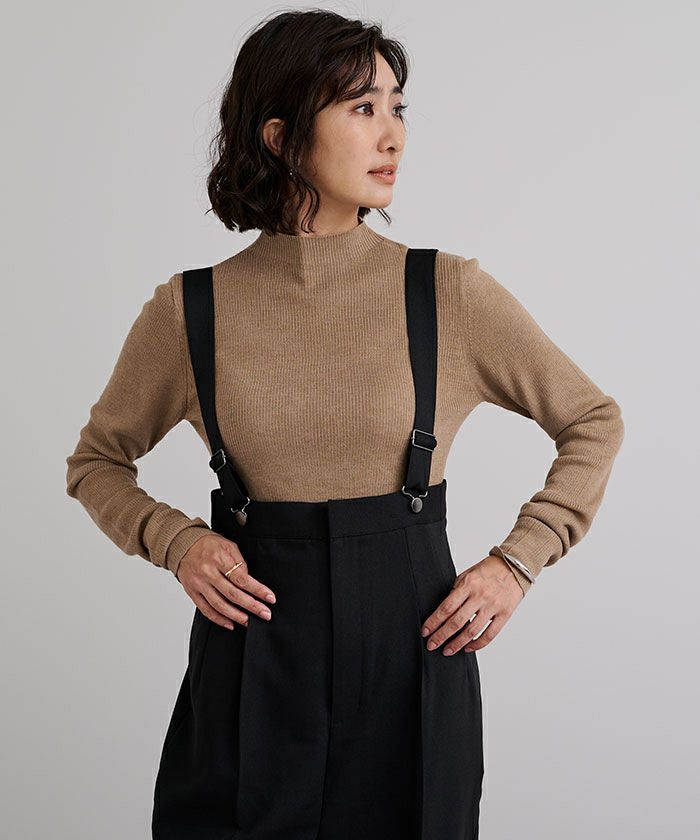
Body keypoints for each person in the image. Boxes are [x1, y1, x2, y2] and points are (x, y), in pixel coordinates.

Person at [65, 9, 625, 840]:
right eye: (363, 108)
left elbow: (592, 419)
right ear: (281, 134)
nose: (392, 135)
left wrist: (519, 561)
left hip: (413, 654)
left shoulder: (445, 291)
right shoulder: (191, 310)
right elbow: (96, 463)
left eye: (398, 108)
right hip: (251, 655)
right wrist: (176, 542)